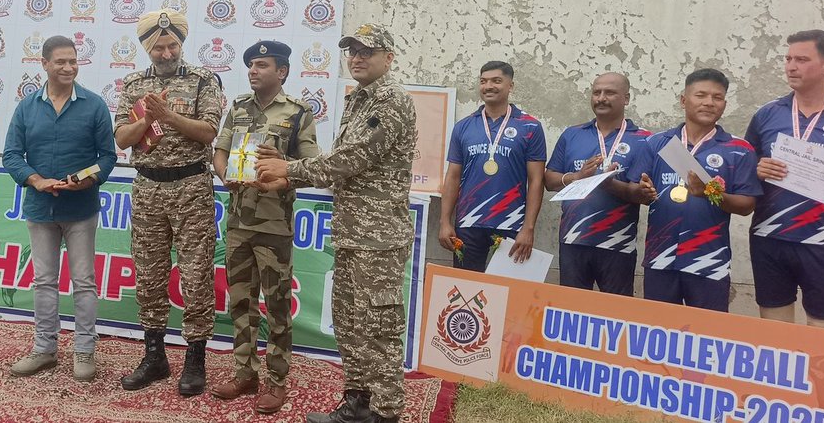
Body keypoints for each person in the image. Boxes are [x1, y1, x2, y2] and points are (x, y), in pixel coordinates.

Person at [256, 23, 417, 423]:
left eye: (368, 51)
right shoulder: (358, 99)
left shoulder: (391, 101)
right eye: (353, 50)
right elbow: (342, 164)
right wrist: (287, 174)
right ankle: (358, 402)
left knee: (377, 326)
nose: (358, 57)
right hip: (353, 232)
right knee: (349, 322)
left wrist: (289, 169)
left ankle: (385, 411)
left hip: (378, 239)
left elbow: (352, 159)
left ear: (388, 58)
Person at [114, 9, 223, 396]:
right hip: (147, 190)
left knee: (195, 276)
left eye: (172, 45)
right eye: (158, 47)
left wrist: (167, 115)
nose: (166, 52)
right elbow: (123, 139)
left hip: (191, 186)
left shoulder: (202, 80)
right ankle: (155, 356)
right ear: (147, 48)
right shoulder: (132, 84)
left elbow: (209, 131)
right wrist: (147, 120)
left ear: (181, 44)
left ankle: (195, 359)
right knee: (149, 275)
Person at [209, 40, 318, 414]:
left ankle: (276, 380)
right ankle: (244, 372)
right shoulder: (238, 107)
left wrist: (282, 167)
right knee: (240, 302)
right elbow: (220, 150)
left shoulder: (298, 113)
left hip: (274, 225)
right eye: (251, 65)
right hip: (238, 221)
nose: (253, 71)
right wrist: (225, 175)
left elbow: (311, 167)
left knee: (276, 305)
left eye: (261, 65)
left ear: (281, 72)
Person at [3, 35, 117, 382]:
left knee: (83, 282)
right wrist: (35, 180)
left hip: (81, 208)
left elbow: (107, 157)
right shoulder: (26, 107)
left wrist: (89, 179)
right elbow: (11, 155)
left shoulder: (95, 106)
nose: (68, 67)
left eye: (73, 61)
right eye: (60, 62)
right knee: (43, 282)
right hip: (40, 208)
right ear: (45, 64)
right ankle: (44, 350)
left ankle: (84, 350)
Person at [619, 68, 760, 312]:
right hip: (659, 259)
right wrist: (641, 192)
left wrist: (710, 193)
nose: (709, 102)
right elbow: (633, 188)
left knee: (707, 338)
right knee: (659, 336)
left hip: (709, 263)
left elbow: (747, 206)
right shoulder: (657, 143)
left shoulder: (739, 149)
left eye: (717, 97)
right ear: (684, 100)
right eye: (701, 95)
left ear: (724, 104)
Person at [745, 29, 824, 328]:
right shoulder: (767, 114)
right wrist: (757, 168)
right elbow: (745, 170)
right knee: (775, 334)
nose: (790, 66)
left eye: (801, 59)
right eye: (787, 59)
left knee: (822, 334)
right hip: (770, 238)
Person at [544, 73, 650, 295]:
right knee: (572, 312)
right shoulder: (572, 134)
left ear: (627, 98)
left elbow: (642, 195)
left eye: (610, 93)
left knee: (615, 316)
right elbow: (549, 180)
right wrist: (577, 177)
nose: (601, 98)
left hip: (617, 244)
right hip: (573, 241)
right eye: (596, 92)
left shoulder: (644, 140)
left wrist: (609, 184)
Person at [439, 61, 546, 271]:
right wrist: (445, 221)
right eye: (483, 81)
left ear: (510, 86)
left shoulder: (530, 126)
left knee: (509, 294)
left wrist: (528, 228)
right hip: (469, 222)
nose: (489, 86)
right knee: (466, 292)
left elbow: (536, 181)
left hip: (511, 223)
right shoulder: (464, 126)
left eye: (496, 81)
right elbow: (452, 176)